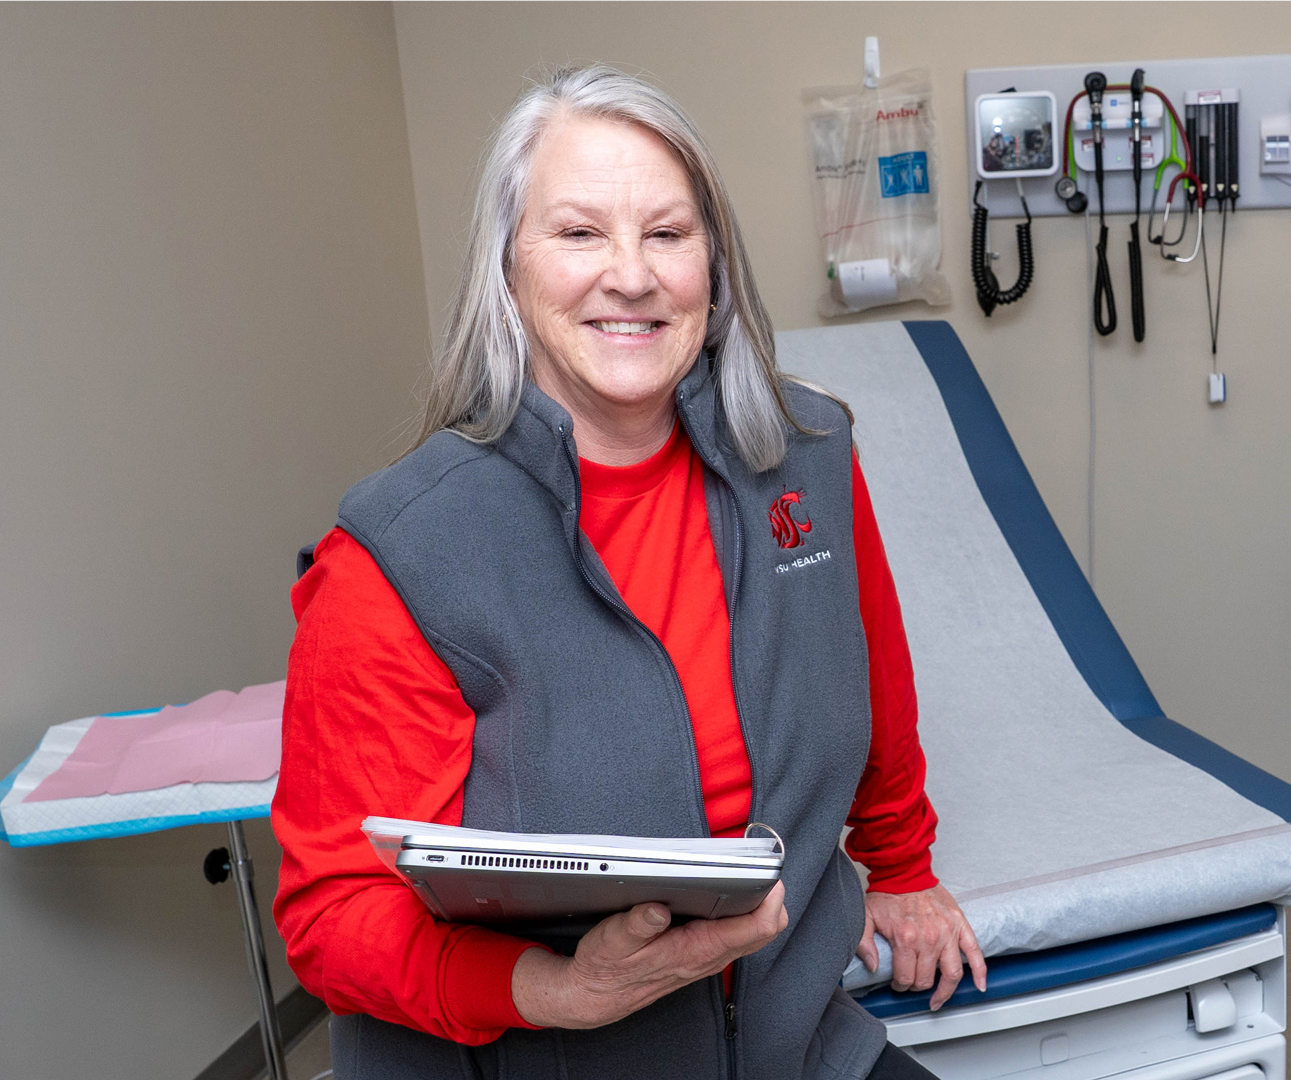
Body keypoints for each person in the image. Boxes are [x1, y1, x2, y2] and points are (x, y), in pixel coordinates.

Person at [271, 65, 984, 1080]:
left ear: (713, 264)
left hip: (794, 1048)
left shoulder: (807, 456)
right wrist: (557, 991)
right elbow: (331, 911)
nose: (632, 274)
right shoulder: (401, 552)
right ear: (510, 269)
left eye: (667, 232)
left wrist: (903, 865)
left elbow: (869, 676)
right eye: (578, 234)